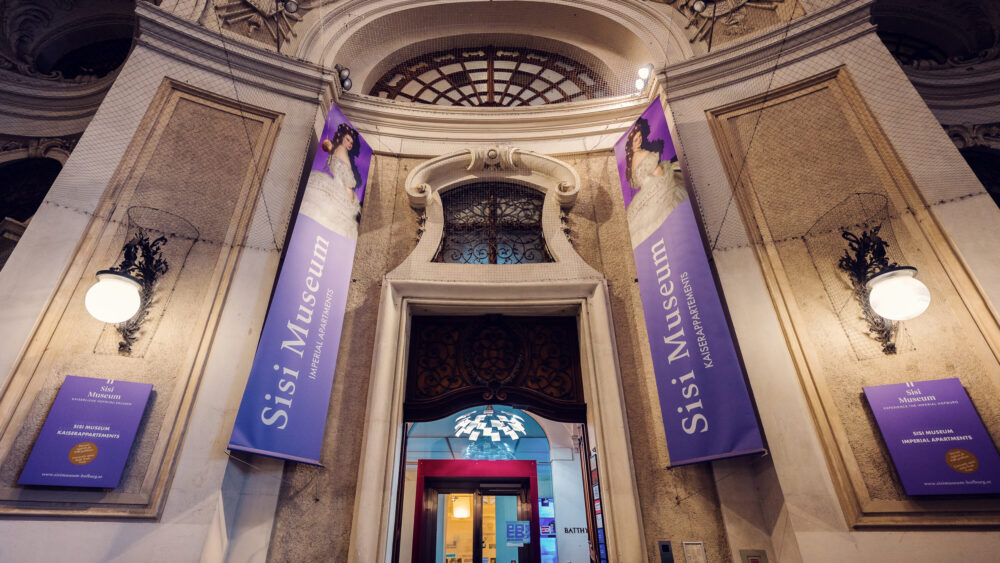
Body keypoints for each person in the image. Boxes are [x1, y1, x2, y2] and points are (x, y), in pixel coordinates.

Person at [622, 116, 687, 245]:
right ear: (630, 144)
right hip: (656, 186)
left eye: (640, 137)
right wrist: (663, 167)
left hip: (645, 192)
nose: (639, 140)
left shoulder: (632, 162)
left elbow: (638, 182)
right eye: (636, 140)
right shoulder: (643, 154)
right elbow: (658, 173)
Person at [299, 122, 363, 238]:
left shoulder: (335, 150)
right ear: (342, 137)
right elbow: (348, 184)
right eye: (348, 140)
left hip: (334, 186)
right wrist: (350, 204)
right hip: (341, 193)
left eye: (351, 142)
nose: (349, 144)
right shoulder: (343, 153)